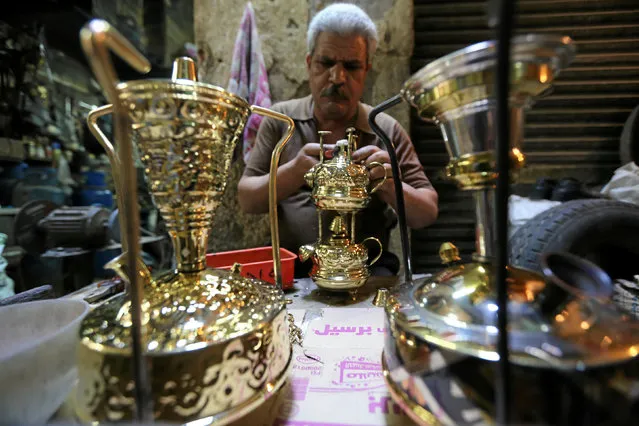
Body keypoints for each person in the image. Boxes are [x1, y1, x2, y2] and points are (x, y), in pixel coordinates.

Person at [237, 3, 438, 277]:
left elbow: (427, 212)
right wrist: (294, 171)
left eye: (352, 66)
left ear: (367, 69)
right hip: (293, 272)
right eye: (326, 63)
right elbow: (247, 200)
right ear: (309, 64)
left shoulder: (385, 130)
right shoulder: (281, 122)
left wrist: (388, 184)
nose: (337, 77)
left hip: (367, 273)